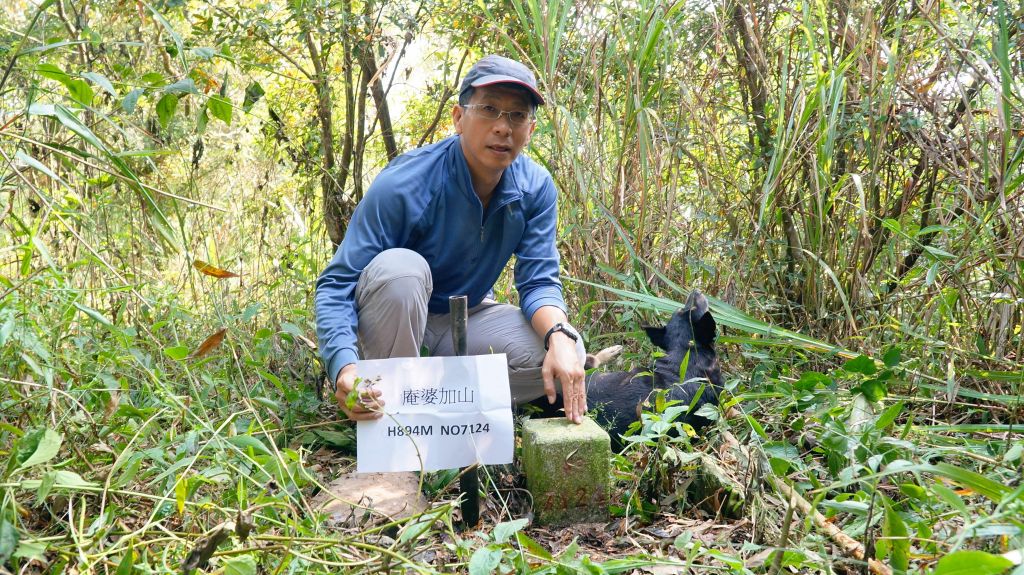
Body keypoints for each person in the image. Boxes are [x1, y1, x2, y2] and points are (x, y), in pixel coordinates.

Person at [314, 54, 587, 425]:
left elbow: (538, 280)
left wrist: (558, 335)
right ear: (459, 118)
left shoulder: (534, 188)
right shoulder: (405, 184)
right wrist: (344, 367)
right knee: (402, 271)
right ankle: (387, 408)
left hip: (464, 320)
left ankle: (438, 392)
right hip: (393, 322)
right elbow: (337, 284)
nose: (503, 127)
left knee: (567, 347)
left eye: (517, 115)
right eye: (489, 109)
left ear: (530, 129)